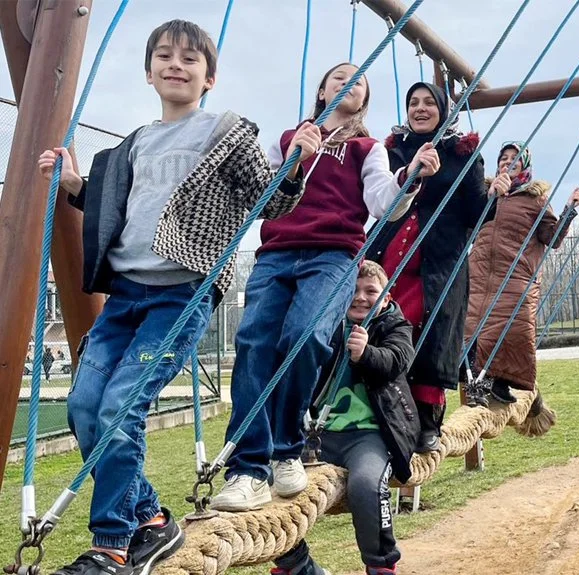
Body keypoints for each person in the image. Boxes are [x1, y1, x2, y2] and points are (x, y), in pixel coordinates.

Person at [37, 20, 303, 575]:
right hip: (126, 293)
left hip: (181, 293)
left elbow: (268, 203)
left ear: (209, 77)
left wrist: (296, 161)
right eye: (164, 56)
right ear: (149, 71)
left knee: (118, 408)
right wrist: (72, 185)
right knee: (85, 407)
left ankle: (112, 544)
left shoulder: (225, 132)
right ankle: (153, 520)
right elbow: (118, 211)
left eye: (189, 59)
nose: (175, 65)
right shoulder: (134, 142)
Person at [212, 63, 440, 512]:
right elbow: (263, 200)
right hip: (277, 252)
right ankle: (247, 468)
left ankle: (286, 447)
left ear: (364, 101)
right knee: (255, 341)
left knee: (305, 335)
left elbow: (383, 203)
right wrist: (295, 156)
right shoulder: (288, 139)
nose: (348, 84)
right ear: (322, 90)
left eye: (359, 82)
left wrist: (408, 177)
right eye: (340, 77)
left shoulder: (366, 149)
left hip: (334, 255)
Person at [273, 261, 417, 575]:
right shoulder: (327, 325)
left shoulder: (394, 326)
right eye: (353, 290)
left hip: (369, 435)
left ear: (387, 298)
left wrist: (366, 354)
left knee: (366, 484)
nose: (361, 297)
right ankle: (295, 563)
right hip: (318, 434)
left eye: (371, 291)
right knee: (275, 485)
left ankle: (380, 564)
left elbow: (397, 360)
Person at [368, 81, 488, 452]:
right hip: (393, 252)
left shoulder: (462, 152)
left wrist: (494, 196)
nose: (420, 109)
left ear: (442, 108)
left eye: (428, 103)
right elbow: (377, 196)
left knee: (434, 331)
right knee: (390, 324)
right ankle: (385, 412)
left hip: (440, 258)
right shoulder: (392, 151)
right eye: (413, 103)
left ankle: (426, 419)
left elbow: (476, 212)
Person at [465, 142, 579, 404]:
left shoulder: (535, 199)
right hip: (481, 272)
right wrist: (491, 196)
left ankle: (500, 383)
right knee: (475, 328)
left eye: (515, 158)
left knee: (512, 330)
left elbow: (551, 237)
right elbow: (469, 224)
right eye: (503, 158)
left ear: (525, 165)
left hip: (515, 275)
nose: (508, 162)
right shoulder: (486, 193)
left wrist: (569, 210)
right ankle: (478, 387)